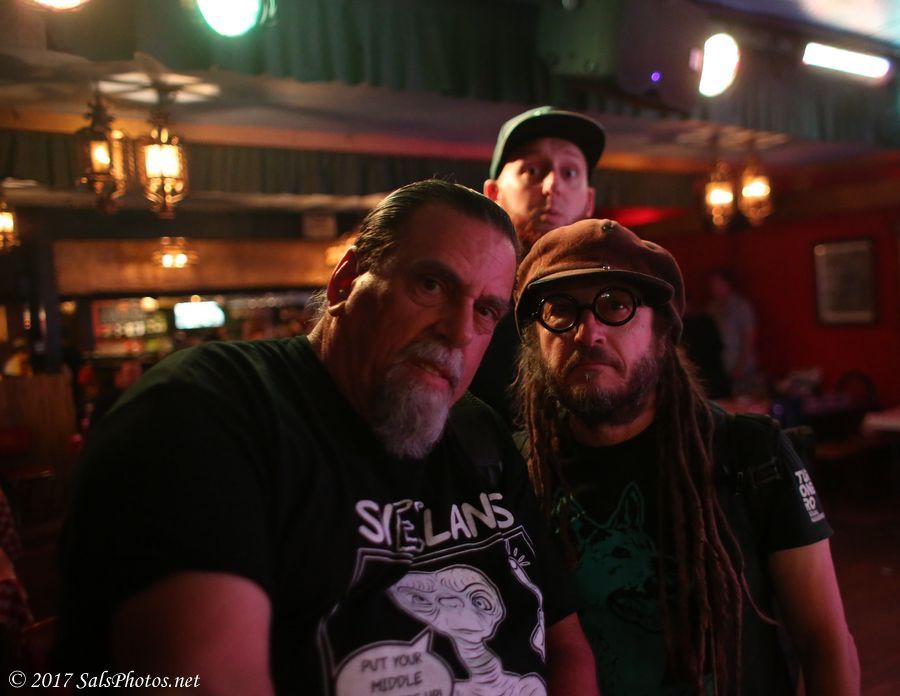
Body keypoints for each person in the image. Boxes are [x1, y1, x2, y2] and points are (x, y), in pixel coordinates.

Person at [55, 180, 599, 696]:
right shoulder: (208, 409)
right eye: (431, 285)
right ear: (345, 284)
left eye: (485, 311)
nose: (459, 331)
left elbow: (566, 644)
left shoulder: (476, 430)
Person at [513, 219, 859, 695]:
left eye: (615, 305)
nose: (587, 332)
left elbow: (824, 643)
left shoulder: (750, 453)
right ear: (535, 336)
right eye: (560, 309)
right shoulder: (514, 470)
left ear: (662, 330)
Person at [470, 106, 606, 423]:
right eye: (532, 171)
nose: (551, 186)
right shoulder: (467, 293)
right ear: (493, 193)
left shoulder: (611, 299)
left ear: (588, 200)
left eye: (569, 173)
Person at [707, 269, 759, 396]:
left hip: (739, 363)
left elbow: (748, 338)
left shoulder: (741, 306)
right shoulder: (712, 308)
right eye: (712, 284)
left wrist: (741, 365)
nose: (714, 288)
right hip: (720, 365)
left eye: (718, 284)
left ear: (728, 284)